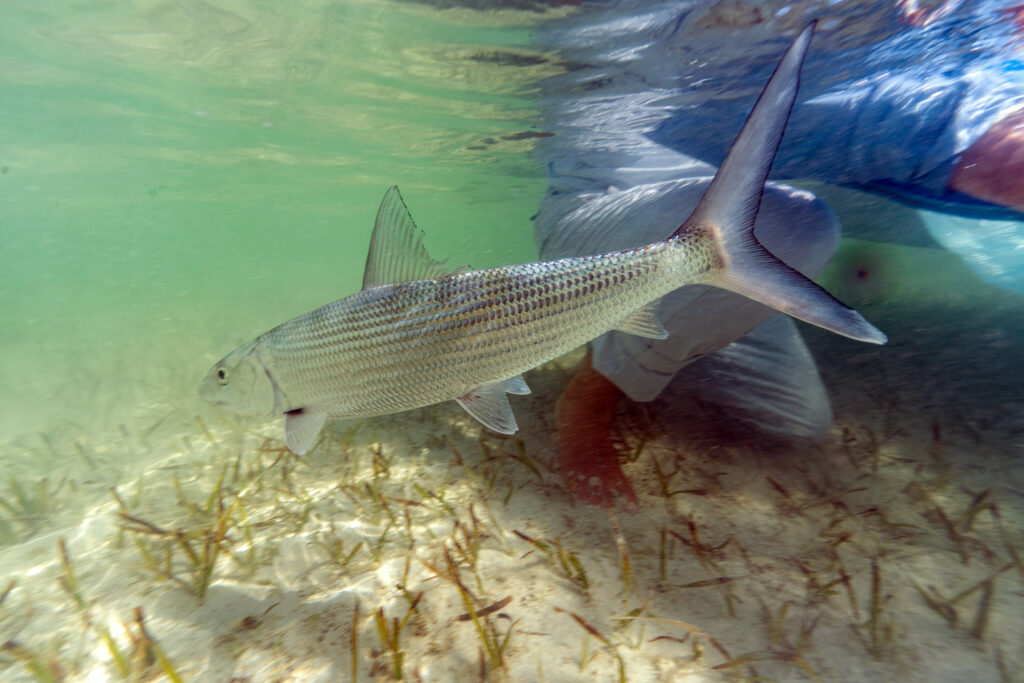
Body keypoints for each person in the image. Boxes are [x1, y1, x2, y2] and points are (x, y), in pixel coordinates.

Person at [531, 0, 1024, 508]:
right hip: (599, 213)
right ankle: (588, 400)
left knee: (792, 424)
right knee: (793, 225)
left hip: (729, 234)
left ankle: (658, 331)